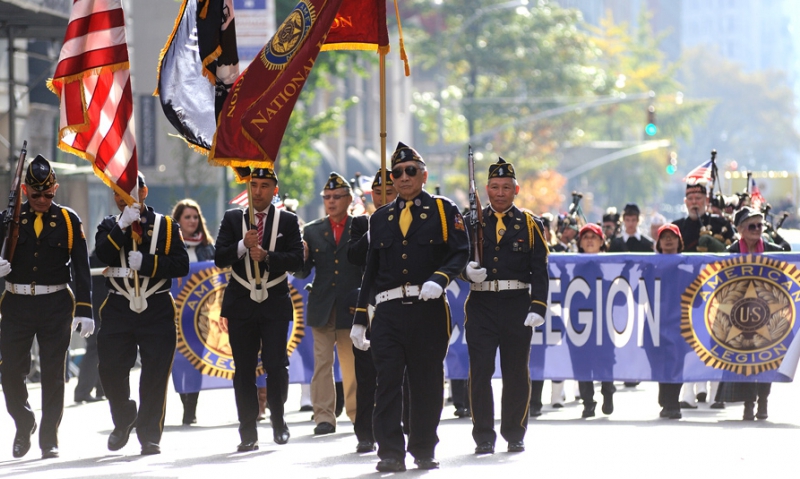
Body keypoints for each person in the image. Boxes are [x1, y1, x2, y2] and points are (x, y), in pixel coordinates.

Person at [350, 142, 469, 472]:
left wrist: (441, 278)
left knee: (426, 382)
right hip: (388, 312)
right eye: (397, 173)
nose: (403, 177)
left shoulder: (443, 211)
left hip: (427, 308)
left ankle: (423, 447)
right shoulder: (380, 218)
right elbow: (370, 271)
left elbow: (460, 251)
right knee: (386, 381)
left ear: (423, 174)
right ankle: (389, 450)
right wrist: (361, 318)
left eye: (410, 171)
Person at [0, 154, 94, 459]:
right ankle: (23, 420)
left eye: (48, 194)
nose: (42, 200)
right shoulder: (8, 220)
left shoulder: (69, 220)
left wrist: (84, 309)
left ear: (56, 188)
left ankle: (49, 437)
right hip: (16, 303)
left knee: (54, 373)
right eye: (36, 194)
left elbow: (82, 268)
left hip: (55, 304)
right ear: (25, 191)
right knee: (11, 373)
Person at [95, 172, 189, 455]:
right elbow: (101, 256)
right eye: (117, 193)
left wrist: (147, 263)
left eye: (130, 192)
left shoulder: (167, 226)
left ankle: (149, 435)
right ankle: (124, 416)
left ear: (144, 192)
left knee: (155, 375)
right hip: (119, 306)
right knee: (110, 369)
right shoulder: (109, 225)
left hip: (156, 306)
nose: (122, 198)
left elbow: (181, 264)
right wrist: (121, 229)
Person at [462, 157, 549, 455]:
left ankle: (514, 432)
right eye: (495, 187)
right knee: (481, 372)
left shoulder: (529, 223)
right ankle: (483, 436)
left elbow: (540, 269)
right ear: (486, 189)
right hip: (482, 304)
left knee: (515, 373)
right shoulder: (471, 221)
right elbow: (456, 259)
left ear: (517, 189)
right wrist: (465, 272)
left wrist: (538, 306)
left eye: (506, 187)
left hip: (516, 305)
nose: (500, 193)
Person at [214, 168, 304, 452]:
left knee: (276, 365)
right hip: (241, 301)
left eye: (265, 185)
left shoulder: (286, 220)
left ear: (274, 189)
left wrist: (267, 256)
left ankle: (279, 421)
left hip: (274, 300)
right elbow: (219, 257)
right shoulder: (232, 218)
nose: (258, 191)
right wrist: (242, 245)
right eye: (254, 185)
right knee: (243, 368)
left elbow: (298, 261)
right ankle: (248, 430)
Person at [294, 172, 362, 436]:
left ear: (349, 199)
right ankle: (324, 417)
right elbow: (302, 273)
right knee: (322, 363)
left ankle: (357, 414)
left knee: (351, 363)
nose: (331, 202)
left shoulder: (360, 226)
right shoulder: (312, 230)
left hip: (350, 305)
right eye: (327, 197)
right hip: (322, 306)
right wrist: (301, 258)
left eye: (337, 197)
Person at [347, 169, 397, 453]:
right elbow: (354, 256)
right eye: (377, 193)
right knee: (365, 373)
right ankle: (365, 431)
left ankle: (400, 425)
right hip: (369, 303)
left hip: (397, 303)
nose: (382, 197)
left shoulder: (406, 221)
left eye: (388, 192)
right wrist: (372, 229)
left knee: (397, 373)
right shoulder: (361, 223)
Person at [673, 181, 735, 408]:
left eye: (699, 199)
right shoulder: (676, 227)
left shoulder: (721, 225)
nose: (694, 203)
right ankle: (687, 392)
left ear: (706, 201)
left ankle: (716, 392)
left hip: (717, 292)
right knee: (688, 343)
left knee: (716, 341)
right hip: (688, 293)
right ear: (685, 202)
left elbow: (731, 254)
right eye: (690, 199)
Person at [720, 207, 782, 420]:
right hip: (740, 315)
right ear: (740, 230)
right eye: (751, 226)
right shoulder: (731, 252)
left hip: (769, 313)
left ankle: (763, 401)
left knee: (767, 359)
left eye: (760, 225)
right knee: (745, 360)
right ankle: (748, 402)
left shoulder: (776, 251)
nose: (757, 230)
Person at [171, 199, 216, 425]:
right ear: (177, 220)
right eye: (187, 217)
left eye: (195, 217)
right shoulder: (169, 246)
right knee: (179, 360)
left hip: (202, 315)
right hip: (175, 315)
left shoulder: (208, 246)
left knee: (197, 359)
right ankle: (183, 400)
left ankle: (192, 408)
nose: (192, 221)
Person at [574, 223, 616, 418]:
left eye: (594, 236)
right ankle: (588, 401)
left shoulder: (610, 264)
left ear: (602, 242)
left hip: (604, 321)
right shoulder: (570, 264)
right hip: (579, 322)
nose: (589, 240)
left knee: (605, 359)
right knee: (581, 361)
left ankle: (608, 393)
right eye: (585, 236)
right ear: (580, 243)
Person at [654, 224, 684, 419]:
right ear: (658, 242)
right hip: (655, 323)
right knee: (658, 361)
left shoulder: (689, 264)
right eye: (664, 237)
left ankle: (673, 402)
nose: (668, 240)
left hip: (680, 324)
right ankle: (665, 399)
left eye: (672, 236)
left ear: (679, 241)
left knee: (676, 361)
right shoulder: (651, 266)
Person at [74, 250, 108, 404]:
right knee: (96, 348)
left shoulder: (95, 257)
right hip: (95, 310)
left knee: (104, 349)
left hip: (97, 309)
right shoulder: (99, 257)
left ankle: (100, 388)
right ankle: (83, 391)